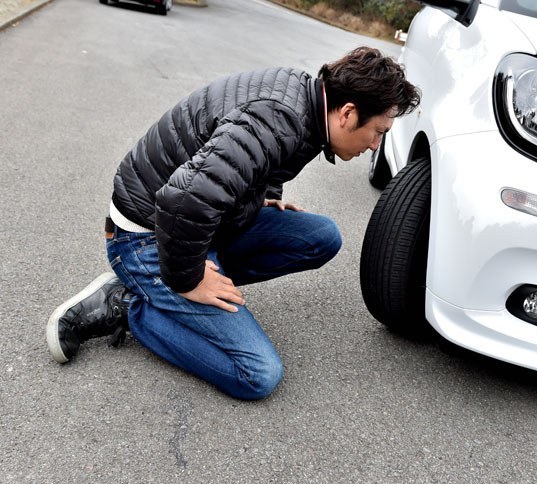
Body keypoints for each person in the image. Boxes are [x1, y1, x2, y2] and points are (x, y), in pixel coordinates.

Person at [45, 46, 421, 400]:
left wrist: (266, 192)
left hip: (199, 223)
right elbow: (182, 200)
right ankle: (129, 304)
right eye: (379, 132)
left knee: (322, 236)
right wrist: (190, 279)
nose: (375, 145)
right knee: (257, 374)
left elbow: (256, 158)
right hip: (148, 235)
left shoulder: (309, 101)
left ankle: (173, 287)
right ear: (348, 113)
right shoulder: (280, 118)